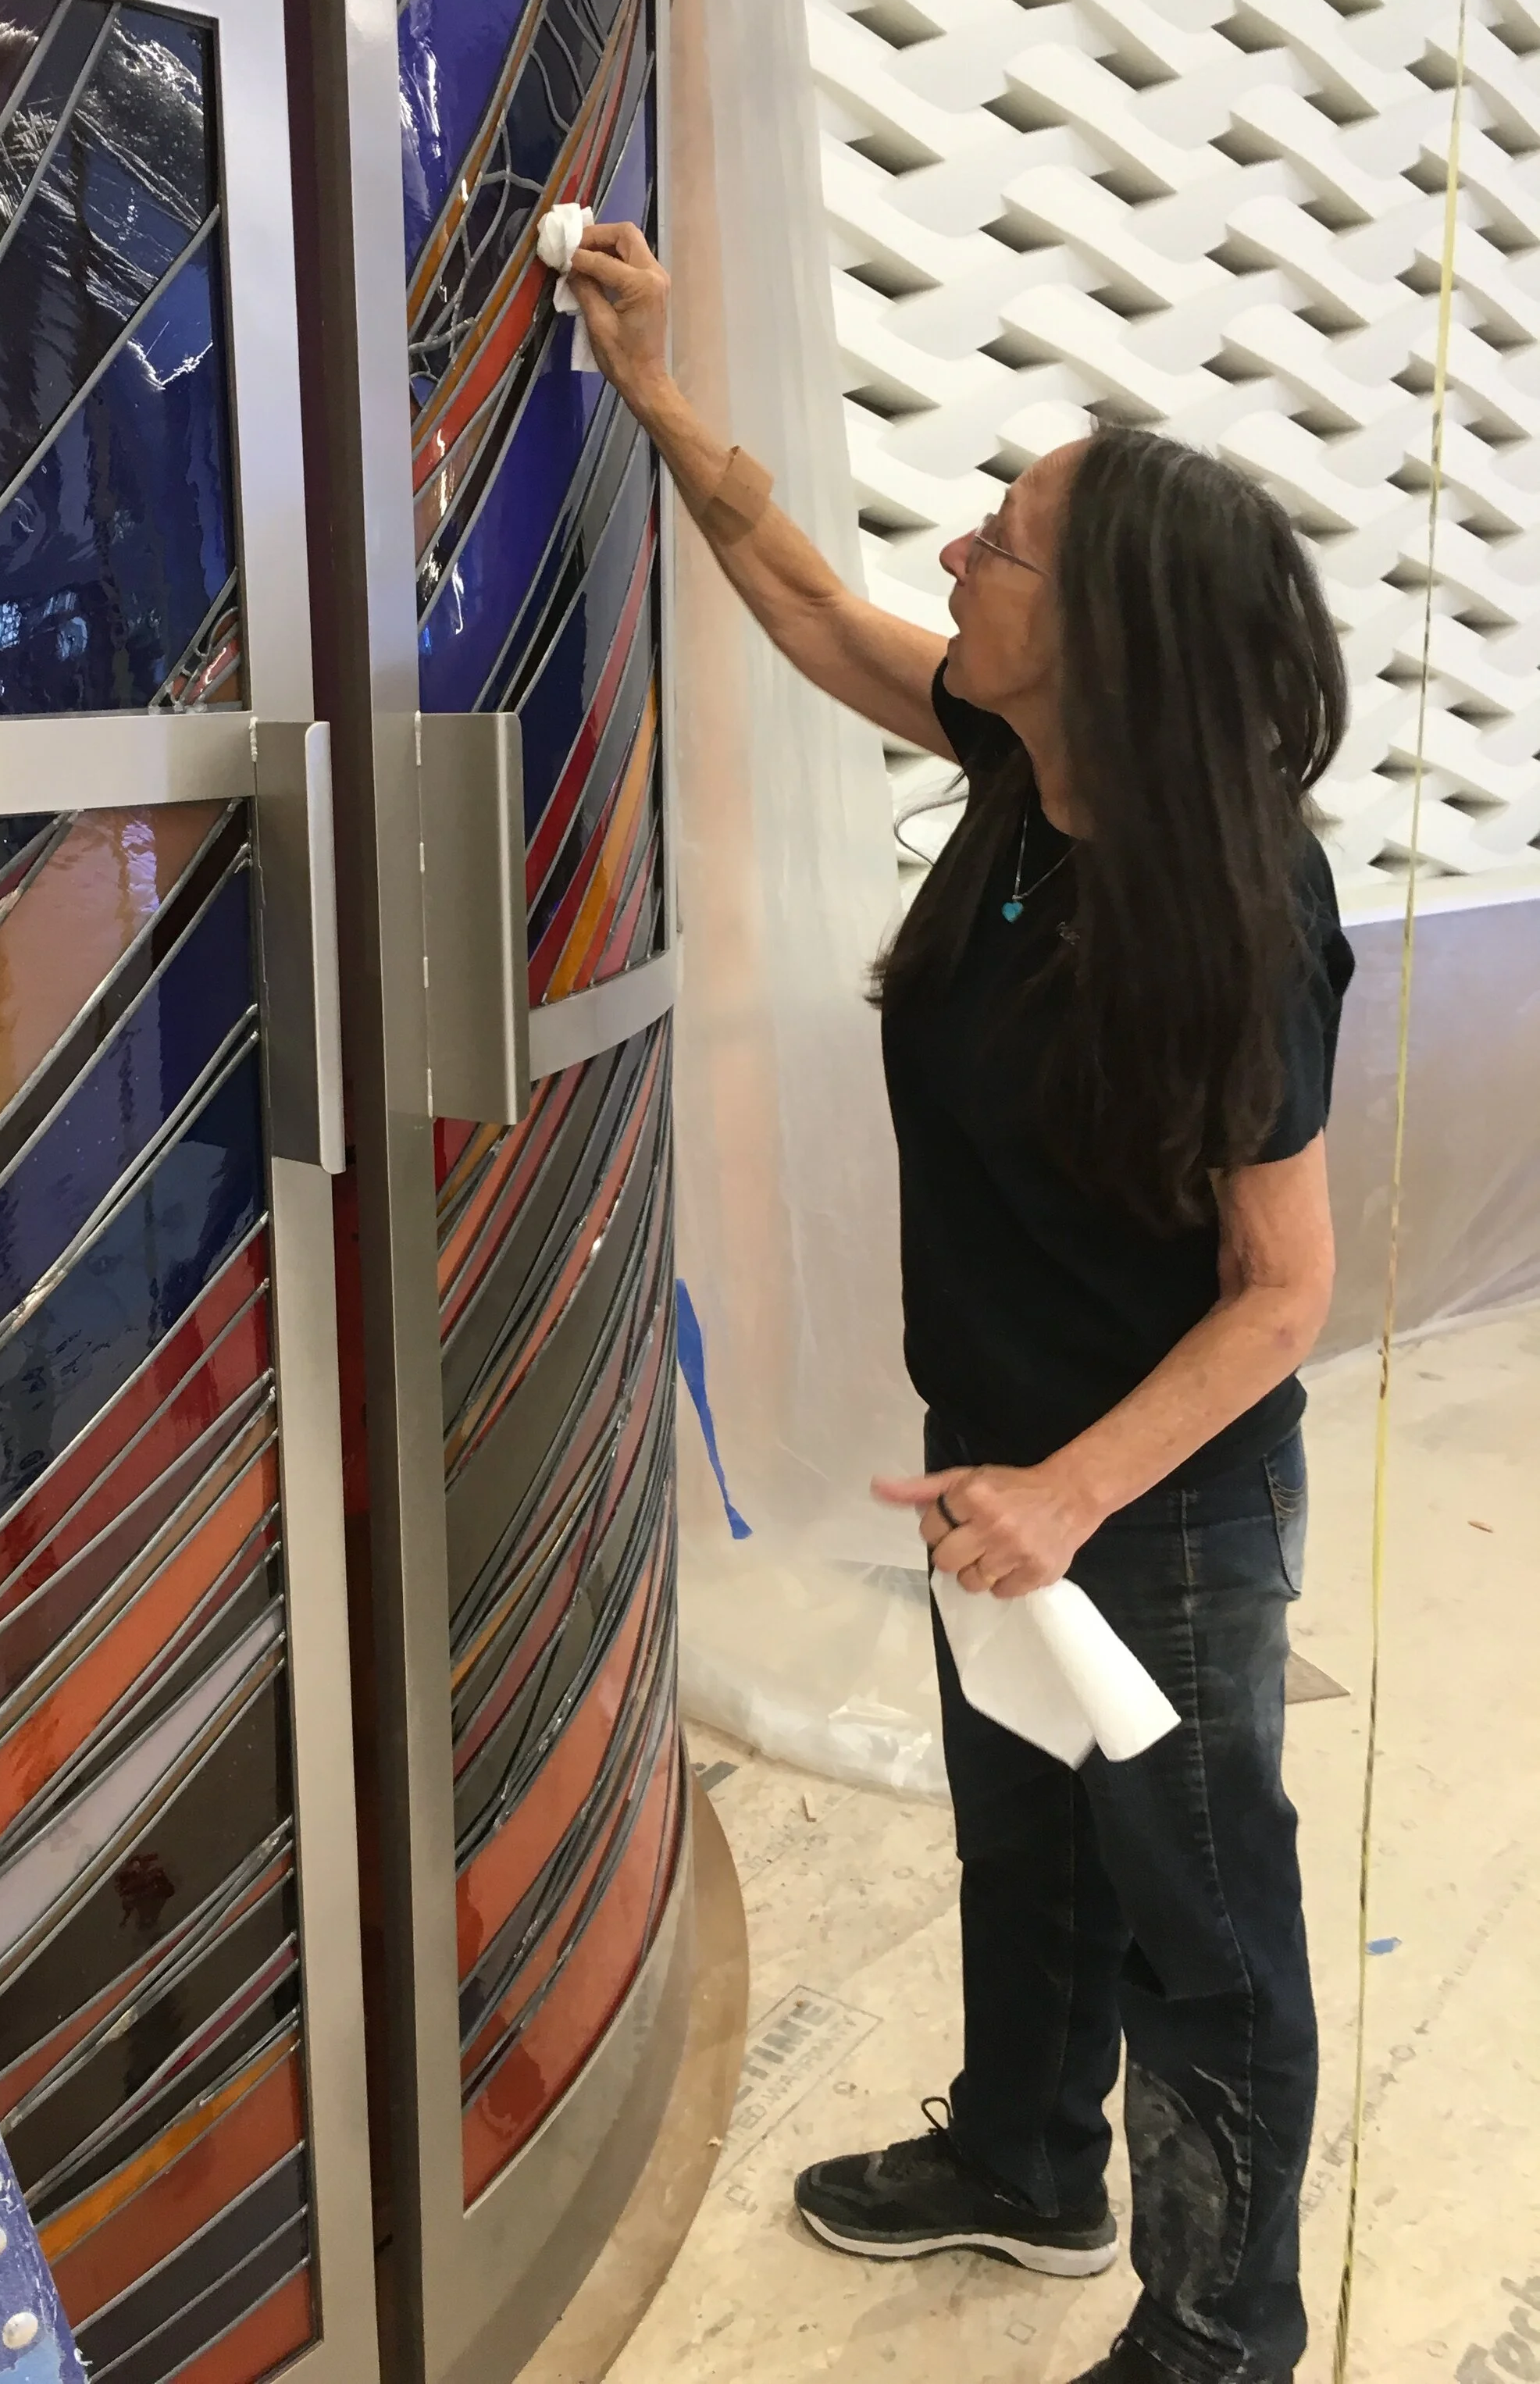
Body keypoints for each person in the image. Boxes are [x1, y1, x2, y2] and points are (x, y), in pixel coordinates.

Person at [566, 220, 1354, 2384]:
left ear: (1095, 639)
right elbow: (817, 612)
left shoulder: (1232, 913)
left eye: (1000, 542)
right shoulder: (1026, 770)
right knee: (1028, 1841)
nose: (958, 552)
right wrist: (655, 394)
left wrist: (1072, 1495)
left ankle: (1221, 2328)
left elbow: (1283, 1291)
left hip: (1152, 1502)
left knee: (1202, 1926)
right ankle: (1025, 2161)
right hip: (995, 1458)